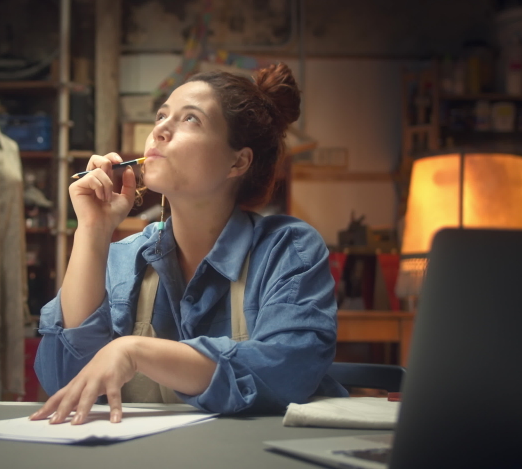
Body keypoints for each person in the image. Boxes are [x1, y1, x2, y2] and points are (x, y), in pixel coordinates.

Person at [32, 63, 346, 425]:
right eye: (162, 115)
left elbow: (286, 370)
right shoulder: (122, 258)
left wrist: (136, 351)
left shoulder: (287, 250)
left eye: (190, 120)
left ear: (238, 161)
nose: (160, 130)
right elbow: (64, 382)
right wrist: (92, 230)